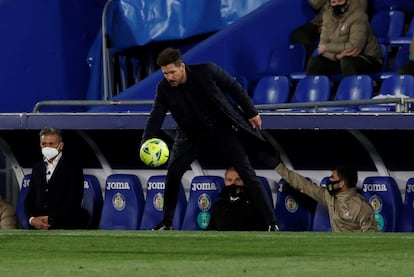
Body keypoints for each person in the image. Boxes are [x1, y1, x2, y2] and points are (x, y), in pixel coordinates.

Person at [141, 47, 279, 231]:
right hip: (191, 136)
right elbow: (156, 115)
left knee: (247, 174)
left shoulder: (207, 70)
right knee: (173, 174)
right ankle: (166, 223)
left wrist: (251, 111)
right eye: (165, 74)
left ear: (181, 67)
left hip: (222, 130)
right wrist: (147, 140)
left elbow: (233, 87)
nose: (169, 77)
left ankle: (272, 224)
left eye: (172, 72)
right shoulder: (163, 88)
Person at [259, 139, 377, 232]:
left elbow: (371, 238)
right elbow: (305, 185)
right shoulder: (329, 197)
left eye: (332, 178)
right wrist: (279, 167)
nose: (329, 181)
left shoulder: (362, 207)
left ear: (342, 184)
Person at [24, 127, 88, 230]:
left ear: (61, 145)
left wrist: (50, 220)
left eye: (51, 144)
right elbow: (29, 199)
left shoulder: (73, 167)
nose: (47, 147)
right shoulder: (37, 168)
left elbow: (74, 200)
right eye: (44, 144)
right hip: (38, 225)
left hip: (64, 225)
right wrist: (32, 219)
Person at [305, 0, 382, 77]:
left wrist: (327, 47)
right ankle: (312, 88)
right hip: (340, 58)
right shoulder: (327, 16)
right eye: (334, 2)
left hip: (368, 59)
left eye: (340, 1)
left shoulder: (359, 16)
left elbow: (353, 48)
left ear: (347, 1)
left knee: (347, 61)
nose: (337, 5)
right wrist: (336, 56)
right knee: (315, 61)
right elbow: (321, 47)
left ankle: (350, 88)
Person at [207, 167, 268, 231]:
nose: (233, 184)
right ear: (225, 182)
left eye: (238, 180)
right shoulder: (218, 205)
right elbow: (210, 231)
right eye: (229, 180)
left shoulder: (256, 205)